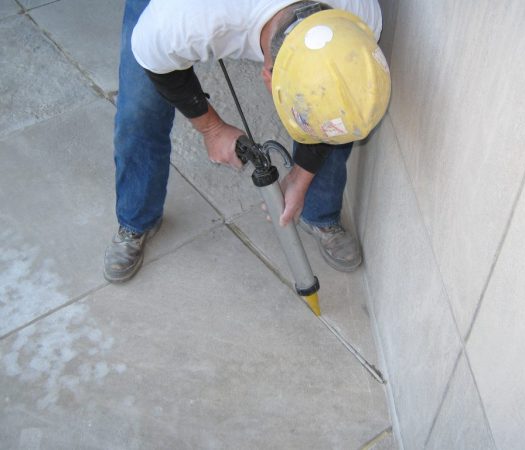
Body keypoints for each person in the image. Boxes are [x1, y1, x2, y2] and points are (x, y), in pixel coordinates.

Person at [104, 0, 390, 283]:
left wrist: (302, 176)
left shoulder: (358, 16)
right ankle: (135, 220)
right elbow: (157, 63)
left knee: (337, 109)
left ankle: (320, 214)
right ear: (267, 76)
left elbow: (339, 104)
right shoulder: (178, 20)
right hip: (176, 18)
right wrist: (212, 129)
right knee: (139, 110)